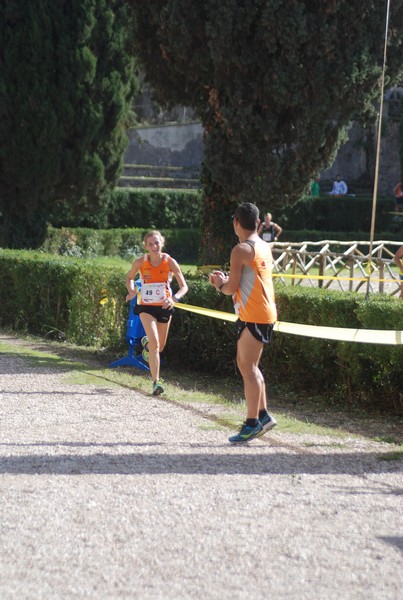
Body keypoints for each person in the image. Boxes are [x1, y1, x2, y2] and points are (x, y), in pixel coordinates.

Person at [209, 202, 277, 443]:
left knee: (247, 367)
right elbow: (248, 281)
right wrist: (229, 280)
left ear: (235, 222)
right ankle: (263, 415)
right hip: (263, 313)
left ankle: (252, 423)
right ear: (258, 223)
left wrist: (219, 283)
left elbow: (231, 289)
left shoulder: (240, 250)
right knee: (250, 366)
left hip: (254, 314)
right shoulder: (263, 246)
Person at [125, 230, 188, 395]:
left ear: (162, 243)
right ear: (145, 246)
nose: (154, 246)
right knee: (155, 345)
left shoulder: (170, 262)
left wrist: (174, 298)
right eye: (150, 244)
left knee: (160, 347)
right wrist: (132, 291)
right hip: (145, 306)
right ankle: (155, 383)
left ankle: (147, 343)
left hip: (164, 306)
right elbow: (129, 277)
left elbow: (184, 286)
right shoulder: (140, 262)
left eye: (156, 243)